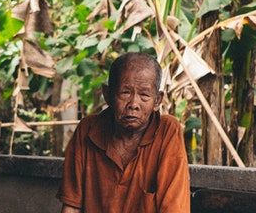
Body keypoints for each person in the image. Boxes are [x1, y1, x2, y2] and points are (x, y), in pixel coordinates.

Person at [57, 52, 190, 213]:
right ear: (108, 95)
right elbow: (71, 206)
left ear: (157, 100)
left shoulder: (167, 132)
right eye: (125, 93)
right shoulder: (88, 130)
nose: (133, 104)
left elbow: (173, 209)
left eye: (144, 95)